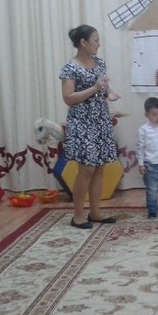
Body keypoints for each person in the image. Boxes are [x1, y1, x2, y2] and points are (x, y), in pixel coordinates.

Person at [59, 25, 119, 229]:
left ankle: (95, 212)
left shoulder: (99, 63)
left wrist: (110, 93)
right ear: (83, 42)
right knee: (86, 169)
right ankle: (78, 216)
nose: (98, 44)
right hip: (81, 123)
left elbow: (104, 86)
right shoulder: (70, 67)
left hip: (100, 121)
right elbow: (68, 98)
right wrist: (94, 88)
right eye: (95, 40)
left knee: (99, 168)